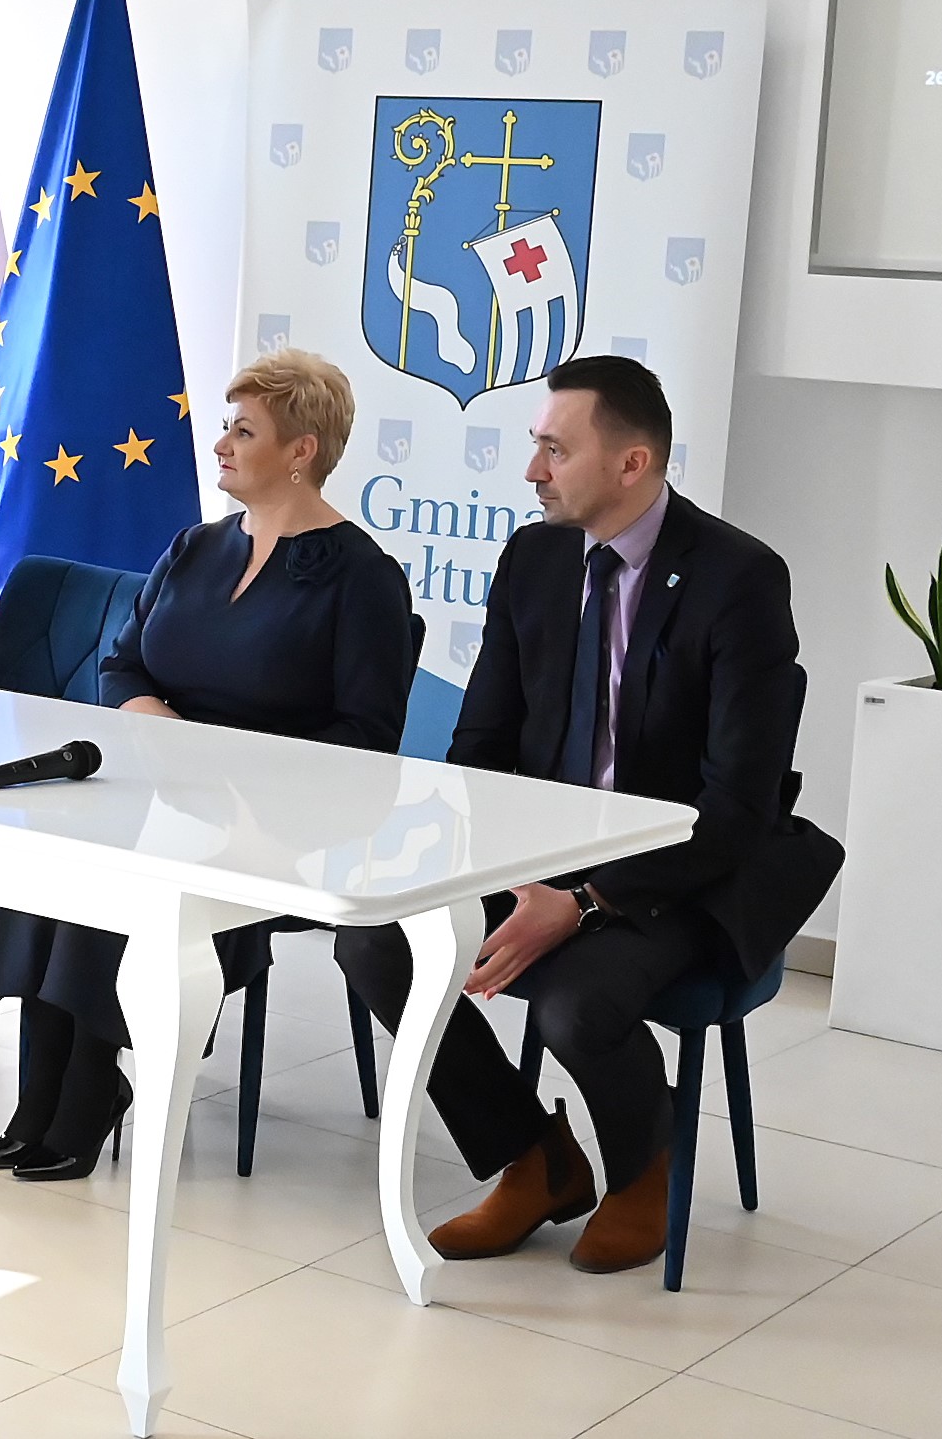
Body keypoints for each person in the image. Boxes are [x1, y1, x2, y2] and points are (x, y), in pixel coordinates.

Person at [334, 354, 831, 1275]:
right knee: (376, 943)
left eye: (555, 450)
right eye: (536, 446)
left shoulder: (738, 579)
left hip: (678, 869)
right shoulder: (534, 558)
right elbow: (481, 747)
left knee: (575, 1003)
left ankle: (642, 1169)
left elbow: (736, 806)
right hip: (539, 854)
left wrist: (588, 900)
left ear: (632, 463)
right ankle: (534, 1158)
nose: (532, 470)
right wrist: (503, 875)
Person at [0, 348, 412, 1178]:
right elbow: (123, 663)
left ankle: (84, 1093)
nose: (220, 444)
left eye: (244, 431)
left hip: (272, 819)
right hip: (162, 784)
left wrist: (225, 775)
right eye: (226, 426)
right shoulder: (195, 546)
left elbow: (366, 737)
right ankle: (40, 1097)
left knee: (126, 870)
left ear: (301, 450)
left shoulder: (362, 577)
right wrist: (166, 735)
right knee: (55, 850)